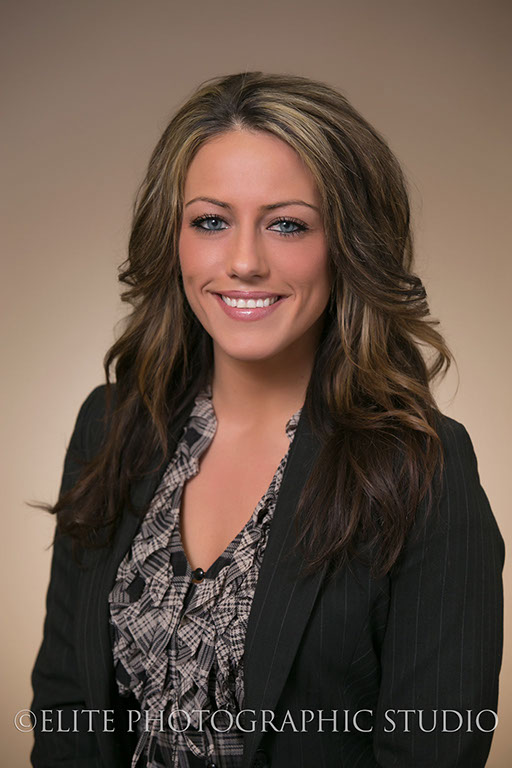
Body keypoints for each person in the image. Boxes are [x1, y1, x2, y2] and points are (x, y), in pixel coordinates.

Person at [30, 71, 505, 768]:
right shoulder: (111, 426)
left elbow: (432, 749)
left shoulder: (422, 469)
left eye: (287, 224)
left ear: (346, 244)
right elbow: (66, 709)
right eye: (211, 221)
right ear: (173, 238)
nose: (245, 262)